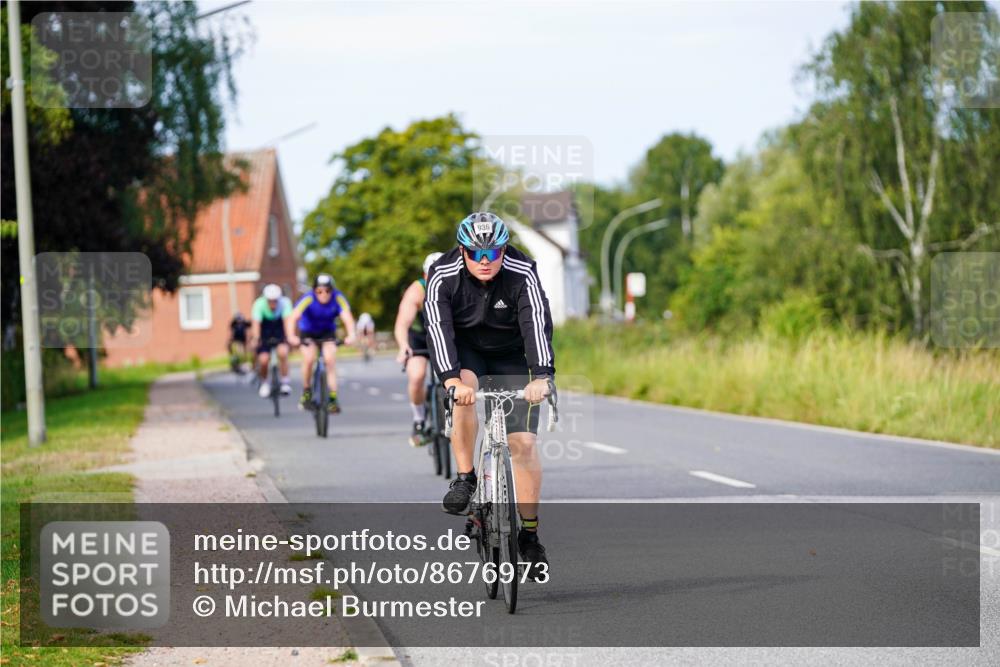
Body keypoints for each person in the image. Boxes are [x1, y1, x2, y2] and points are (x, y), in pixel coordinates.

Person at [425, 212, 554, 578]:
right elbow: (438, 328)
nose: (485, 261)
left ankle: (530, 536)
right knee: (464, 390)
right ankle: (465, 477)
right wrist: (451, 380)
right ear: (462, 250)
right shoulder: (443, 275)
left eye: (493, 253)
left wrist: (542, 375)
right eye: (476, 253)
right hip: (466, 353)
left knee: (524, 443)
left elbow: (537, 321)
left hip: (510, 352)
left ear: (503, 249)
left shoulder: (522, 270)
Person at [394, 251, 444, 447]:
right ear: (424, 275)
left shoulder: (457, 287)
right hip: (419, 339)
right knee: (417, 375)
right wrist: (403, 346)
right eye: (430, 275)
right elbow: (402, 324)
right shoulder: (416, 291)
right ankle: (419, 419)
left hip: (445, 338)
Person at [287, 274, 356, 414]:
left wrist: (351, 334)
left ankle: (332, 398)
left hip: (327, 332)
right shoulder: (308, 299)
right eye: (319, 291)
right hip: (308, 332)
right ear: (314, 291)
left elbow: (347, 316)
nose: (323, 294)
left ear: (332, 290)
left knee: (330, 360)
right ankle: (306, 391)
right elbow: (293, 317)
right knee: (309, 359)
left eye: (327, 290)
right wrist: (291, 336)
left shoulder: (338, 298)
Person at [250, 284, 293, 398]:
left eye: (275, 301)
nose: (273, 303)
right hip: (264, 330)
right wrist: (256, 338)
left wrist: (290, 337)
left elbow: (287, 322)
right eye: (270, 301)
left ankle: (285, 382)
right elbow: (256, 324)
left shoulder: (285, 303)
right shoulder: (259, 304)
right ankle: (265, 383)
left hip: (279, 329)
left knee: (283, 352)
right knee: (263, 360)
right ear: (265, 299)